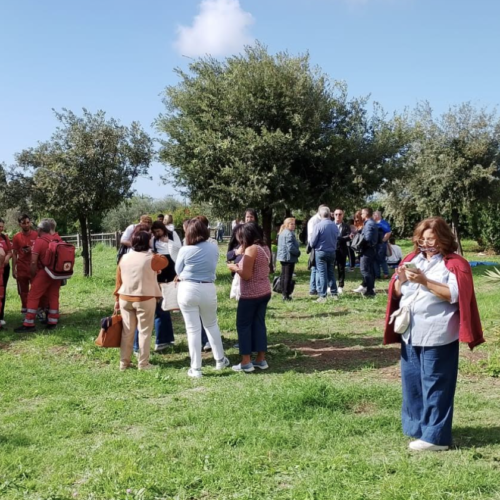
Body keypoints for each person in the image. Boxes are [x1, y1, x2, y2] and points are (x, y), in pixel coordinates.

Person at [384, 217, 484, 451]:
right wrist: (399, 280)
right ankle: (417, 429)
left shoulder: (455, 264)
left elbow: (455, 294)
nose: (426, 244)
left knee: (436, 383)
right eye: (422, 239)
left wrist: (425, 281)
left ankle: (436, 437)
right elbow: (398, 293)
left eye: (432, 240)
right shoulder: (411, 259)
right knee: (413, 383)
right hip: (410, 331)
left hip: (438, 332)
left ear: (444, 240)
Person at [175, 218, 229, 378]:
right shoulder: (213, 247)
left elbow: (178, 269)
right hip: (207, 287)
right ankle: (220, 359)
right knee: (211, 325)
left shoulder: (185, 249)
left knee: (192, 329)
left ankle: (196, 368)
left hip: (187, 288)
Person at [114, 231, 168, 371]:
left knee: (127, 331)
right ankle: (143, 363)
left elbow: (118, 281)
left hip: (125, 297)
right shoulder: (152, 258)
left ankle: (123, 363)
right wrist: (153, 251)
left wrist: (116, 299)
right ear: (147, 242)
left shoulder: (124, 258)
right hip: (145, 297)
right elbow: (165, 261)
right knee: (144, 331)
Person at [228, 223, 272, 372]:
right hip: (264, 291)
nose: (239, 240)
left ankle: (246, 361)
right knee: (259, 324)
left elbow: (246, 275)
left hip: (251, 294)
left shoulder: (251, 249)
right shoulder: (264, 247)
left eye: (240, 237)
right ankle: (261, 359)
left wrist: (235, 268)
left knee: (243, 326)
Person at [132, 221, 177, 355]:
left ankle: (136, 346)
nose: (153, 237)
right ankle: (157, 342)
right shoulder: (152, 258)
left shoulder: (128, 256)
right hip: (150, 290)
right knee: (157, 314)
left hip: (132, 292)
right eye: (150, 236)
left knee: (139, 319)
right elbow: (163, 264)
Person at [14, 219, 63, 332]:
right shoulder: (57, 238)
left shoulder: (39, 241)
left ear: (40, 230)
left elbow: (33, 262)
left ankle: (29, 323)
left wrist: (33, 275)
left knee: (32, 295)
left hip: (44, 272)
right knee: (53, 296)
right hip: (56, 273)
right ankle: (52, 321)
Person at [310, 206, 339, 302]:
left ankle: (323, 295)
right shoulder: (334, 225)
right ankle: (334, 293)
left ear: (320, 214)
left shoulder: (318, 226)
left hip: (321, 252)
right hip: (332, 251)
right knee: (331, 272)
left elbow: (312, 242)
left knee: (322, 274)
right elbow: (337, 238)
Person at [12, 215, 38, 316]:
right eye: (24, 223)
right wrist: (13, 269)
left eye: (28, 222)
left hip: (34, 267)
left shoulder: (36, 235)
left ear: (30, 222)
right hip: (21, 268)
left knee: (35, 290)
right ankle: (25, 312)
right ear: (20, 224)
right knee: (23, 292)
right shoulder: (16, 237)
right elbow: (14, 253)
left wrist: (32, 249)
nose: (26, 225)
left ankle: (37, 311)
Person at [355, 207, 378, 298]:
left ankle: (369, 290)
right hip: (371, 249)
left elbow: (367, 238)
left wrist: (359, 244)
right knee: (370, 270)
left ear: (366, 214)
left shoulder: (369, 224)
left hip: (367, 250)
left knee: (365, 269)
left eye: (362, 213)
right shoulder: (372, 223)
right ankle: (370, 288)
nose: (361, 215)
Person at [277, 218, 300, 301]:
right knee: (287, 276)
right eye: (292, 224)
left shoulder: (284, 232)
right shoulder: (288, 233)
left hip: (284, 257)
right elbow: (290, 247)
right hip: (288, 258)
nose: (294, 226)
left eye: (294, 224)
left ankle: (284, 293)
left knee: (284, 275)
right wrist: (297, 252)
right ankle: (286, 295)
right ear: (287, 225)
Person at [307, 206, 326, 296]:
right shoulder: (314, 220)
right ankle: (316, 288)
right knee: (316, 268)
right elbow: (311, 234)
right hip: (315, 246)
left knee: (315, 268)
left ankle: (313, 288)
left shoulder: (321, 219)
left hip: (318, 246)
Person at [332, 208, 351, 294]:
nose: (338, 216)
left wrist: (340, 238)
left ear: (343, 215)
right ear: (333, 215)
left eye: (340, 214)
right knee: (331, 268)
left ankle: (340, 285)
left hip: (342, 250)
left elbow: (349, 236)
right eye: (336, 214)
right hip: (332, 249)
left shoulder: (346, 226)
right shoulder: (330, 225)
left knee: (341, 268)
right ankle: (330, 285)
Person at [373, 211, 392, 280]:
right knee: (375, 259)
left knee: (381, 259)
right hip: (375, 244)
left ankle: (386, 273)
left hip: (381, 244)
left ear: (377, 215)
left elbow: (389, 232)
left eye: (374, 215)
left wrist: (383, 240)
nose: (373, 216)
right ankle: (377, 274)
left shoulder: (383, 223)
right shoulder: (374, 223)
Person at [0, 218, 12, 324]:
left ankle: (1, 316)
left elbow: (10, 251)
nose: (1, 228)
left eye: (2, 226)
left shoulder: (4, 237)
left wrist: (7, 258)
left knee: (2, 291)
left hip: (5, 268)